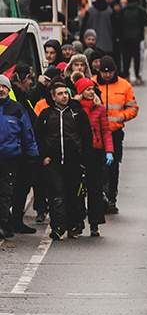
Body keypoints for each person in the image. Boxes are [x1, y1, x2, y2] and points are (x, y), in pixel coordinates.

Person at [35, 82, 92, 240]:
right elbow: (38, 136)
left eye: (65, 93)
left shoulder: (77, 113)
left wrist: (84, 160)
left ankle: (75, 225)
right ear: (53, 96)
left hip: (73, 162)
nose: (64, 96)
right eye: (59, 94)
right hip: (53, 162)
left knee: (74, 195)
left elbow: (87, 137)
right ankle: (58, 227)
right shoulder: (46, 115)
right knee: (56, 195)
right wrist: (44, 156)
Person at [93, 56, 138, 214]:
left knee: (113, 168)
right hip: (96, 134)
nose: (106, 75)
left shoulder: (124, 85)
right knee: (97, 168)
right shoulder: (92, 83)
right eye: (104, 72)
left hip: (114, 133)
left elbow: (133, 108)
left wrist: (122, 116)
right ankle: (98, 198)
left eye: (109, 72)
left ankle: (111, 198)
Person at [0, 74, 39, 237]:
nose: (1, 89)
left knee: (5, 193)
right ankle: (6, 225)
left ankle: (3, 225)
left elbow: (27, 133)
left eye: (4, 87)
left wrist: (33, 154)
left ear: (8, 89)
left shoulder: (17, 109)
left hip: (10, 158)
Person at [74, 78, 113, 236]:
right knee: (78, 189)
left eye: (92, 89)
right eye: (87, 89)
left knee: (95, 189)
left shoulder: (100, 109)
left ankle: (95, 223)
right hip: (79, 152)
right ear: (81, 91)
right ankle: (77, 221)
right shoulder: (75, 108)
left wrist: (109, 150)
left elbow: (106, 131)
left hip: (95, 151)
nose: (91, 92)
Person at [10, 66, 44, 234]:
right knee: (17, 188)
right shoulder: (15, 97)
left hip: (24, 151)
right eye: (29, 79)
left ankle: (15, 220)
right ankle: (12, 221)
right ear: (21, 80)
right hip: (17, 152)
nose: (31, 82)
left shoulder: (23, 97)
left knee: (21, 188)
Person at [119, 0, 147, 85]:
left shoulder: (123, 10)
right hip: (137, 38)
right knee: (137, 58)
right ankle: (137, 76)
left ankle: (127, 76)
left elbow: (118, 24)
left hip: (125, 39)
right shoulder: (140, 10)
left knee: (126, 58)